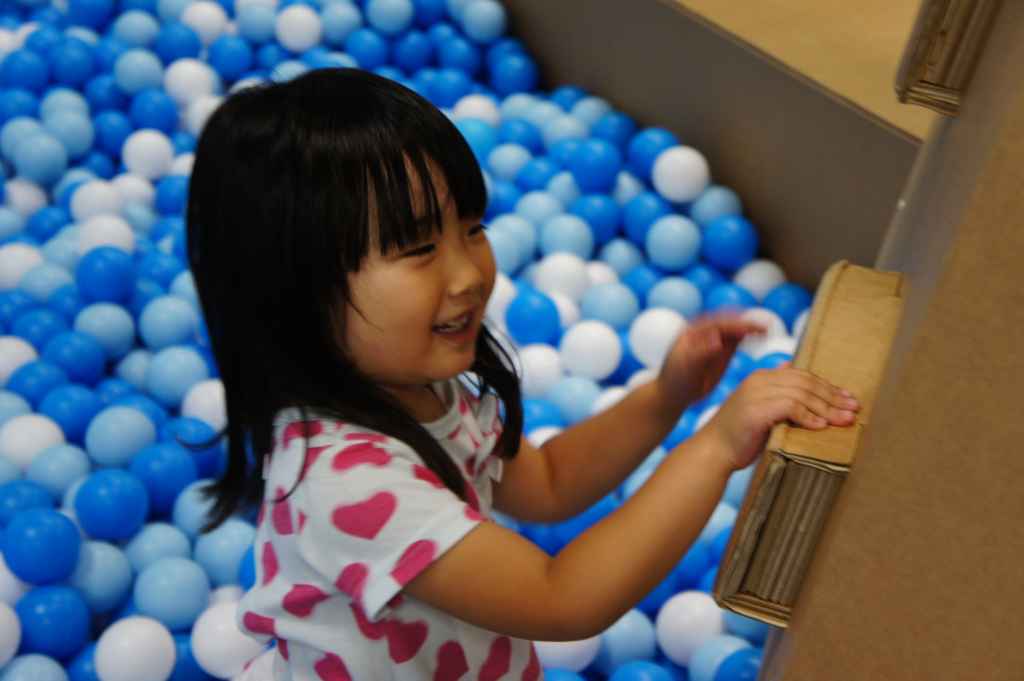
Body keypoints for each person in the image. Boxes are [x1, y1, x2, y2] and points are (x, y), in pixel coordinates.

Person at [186, 68, 860, 680]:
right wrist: (715, 447)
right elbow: (562, 598)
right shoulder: (344, 481)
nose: (469, 272)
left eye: (472, 228)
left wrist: (667, 395)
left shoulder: (417, 386)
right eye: (420, 248)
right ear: (296, 296)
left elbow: (549, 481)